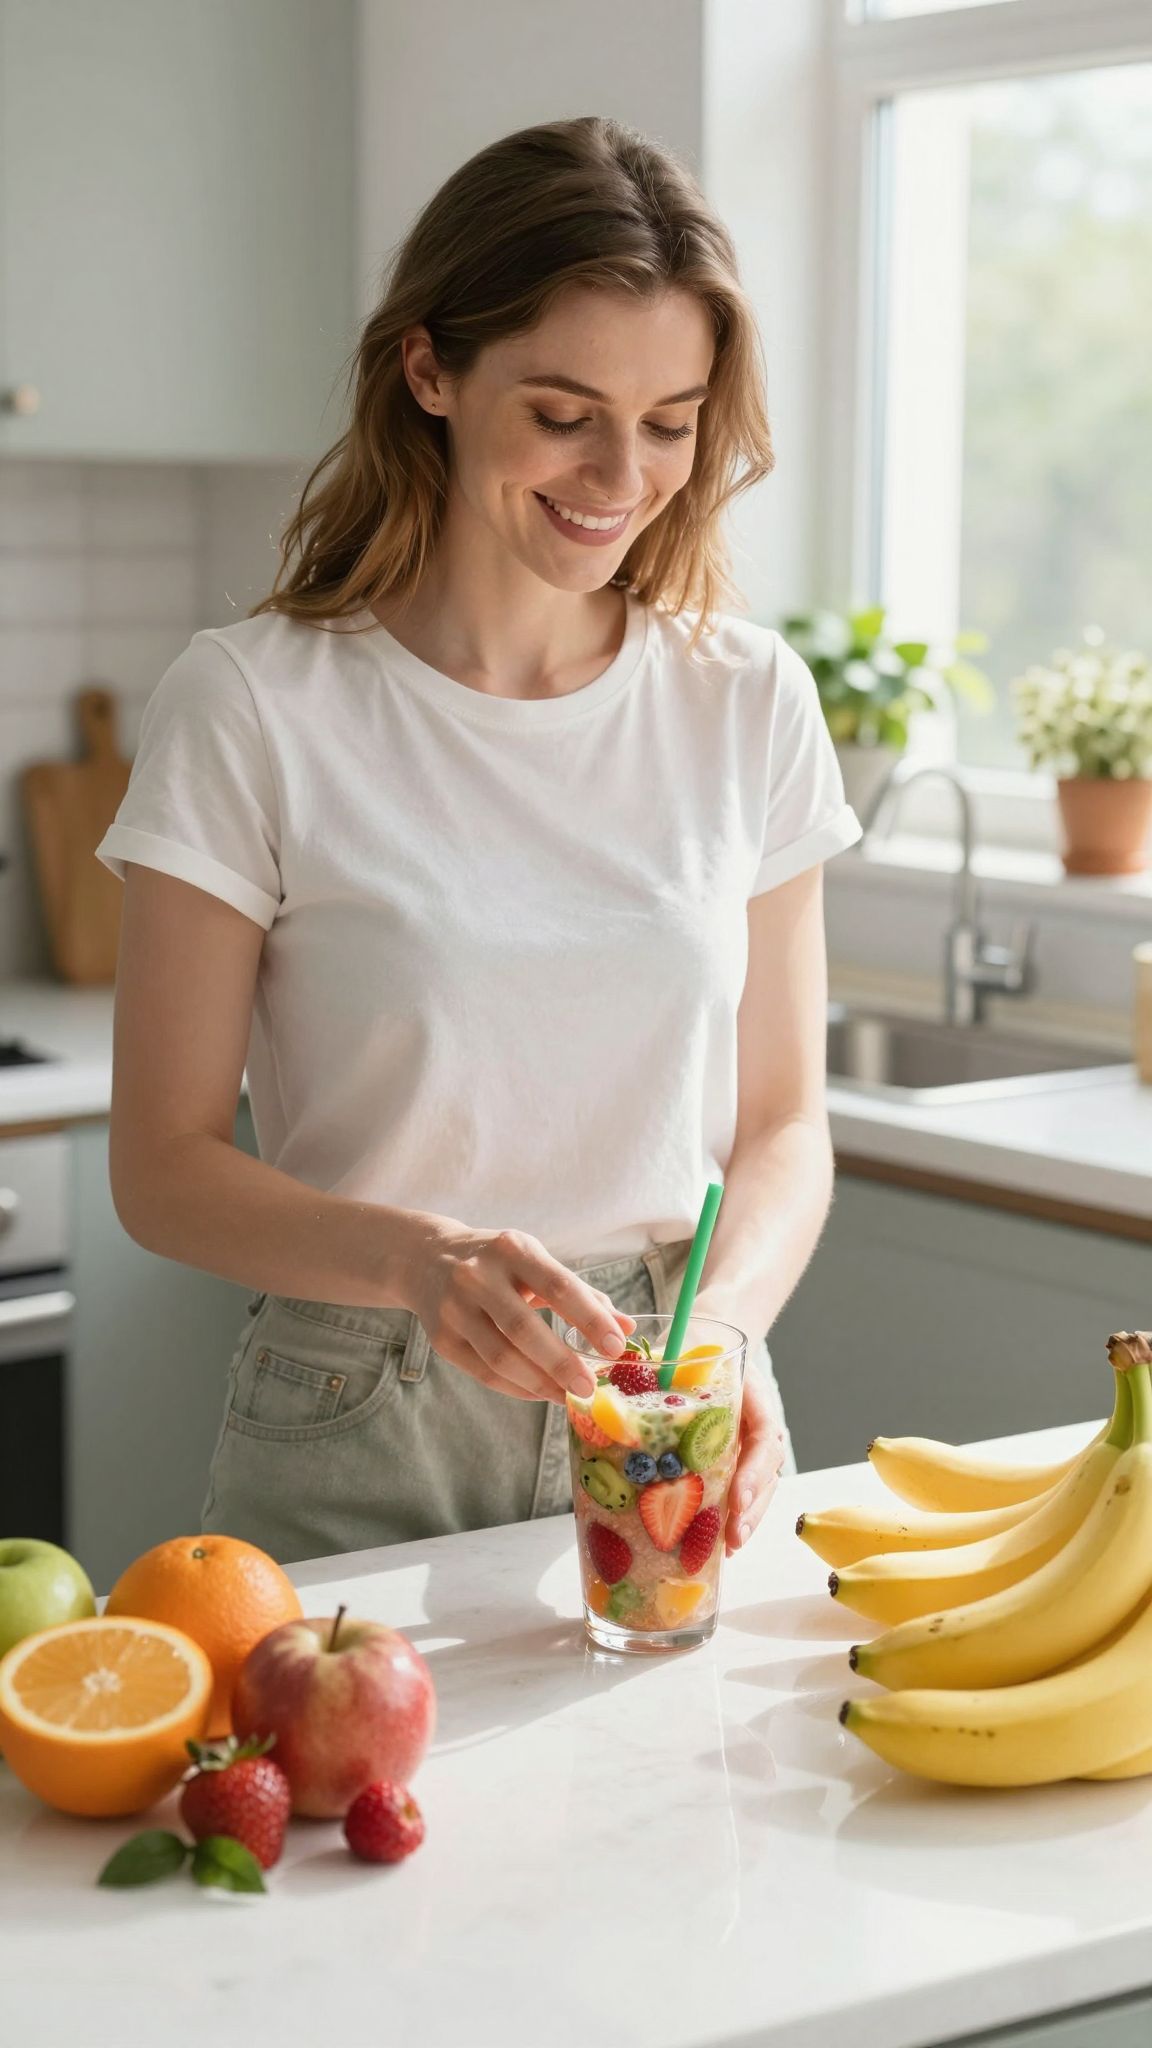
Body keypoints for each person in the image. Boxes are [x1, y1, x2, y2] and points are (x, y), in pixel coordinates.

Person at [96, 114, 862, 1569]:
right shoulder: (256, 702)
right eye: (564, 413)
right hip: (361, 1401)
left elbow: (783, 1127)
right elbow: (163, 1162)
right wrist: (416, 1260)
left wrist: (725, 1339)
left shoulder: (746, 697)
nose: (621, 477)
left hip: (670, 1391)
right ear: (430, 369)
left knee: (685, 1803)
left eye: (670, 420)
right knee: (350, 1804)